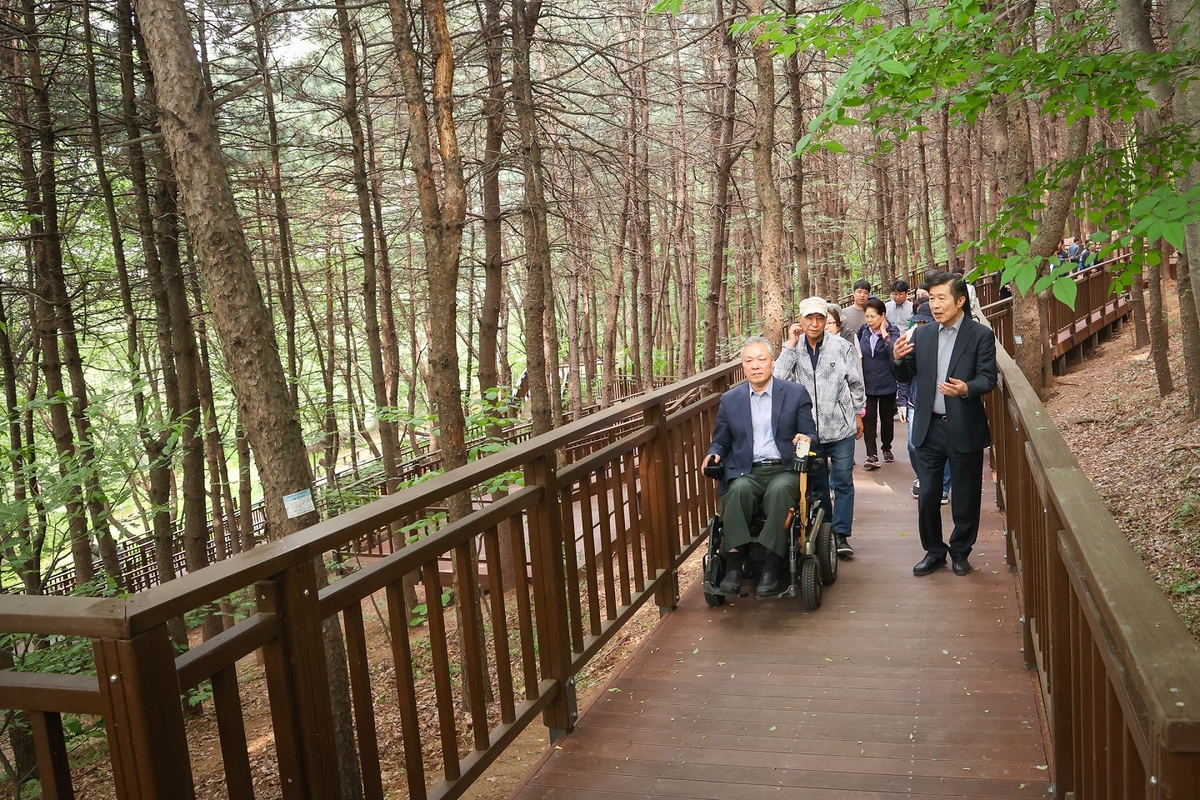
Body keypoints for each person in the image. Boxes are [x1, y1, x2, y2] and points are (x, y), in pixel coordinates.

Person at [892, 271, 997, 577]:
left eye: (942, 298)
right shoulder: (922, 334)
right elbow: (905, 375)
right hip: (928, 426)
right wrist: (897, 359)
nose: (934, 305)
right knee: (928, 494)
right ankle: (934, 551)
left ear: (960, 301)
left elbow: (988, 378)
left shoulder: (980, 335)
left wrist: (967, 388)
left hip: (963, 425)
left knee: (965, 495)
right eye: (931, 298)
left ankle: (961, 551)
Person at [702, 337, 819, 596]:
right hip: (748, 470)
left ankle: (771, 566)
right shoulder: (731, 399)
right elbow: (721, 440)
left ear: (772, 362)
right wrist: (714, 454)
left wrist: (806, 438)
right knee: (737, 491)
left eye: (761, 359)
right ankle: (733, 566)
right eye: (749, 361)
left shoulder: (794, 393)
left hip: (784, 468)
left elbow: (811, 433)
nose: (755, 366)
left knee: (779, 492)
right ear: (742, 366)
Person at [774, 296, 866, 558]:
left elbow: (856, 383)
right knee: (817, 483)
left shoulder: (841, 346)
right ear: (800, 320)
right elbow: (778, 380)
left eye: (820, 318)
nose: (815, 324)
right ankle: (826, 533)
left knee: (843, 481)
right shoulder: (794, 348)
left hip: (841, 427)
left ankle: (841, 534)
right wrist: (790, 346)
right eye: (809, 318)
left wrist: (858, 413)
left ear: (827, 320)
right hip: (806, 431)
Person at [903, 303, 950, 503]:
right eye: (919, 321)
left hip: (943, 403)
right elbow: (904, 374)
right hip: (916, 402)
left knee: (946, 448)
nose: (921, 324)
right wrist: (901, 401)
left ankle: (944, 486)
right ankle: (922, 477)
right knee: (913, 445)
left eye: (925, 321)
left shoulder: (944, 338)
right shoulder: (912, 338)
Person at [858, 298, 901, 471]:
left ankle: (886, 447)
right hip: (867, 383)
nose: (869, 320)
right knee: (869, 419)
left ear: (882, 315)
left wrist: (884, 334)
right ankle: (871, 454)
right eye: (867, 316)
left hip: (887, 382)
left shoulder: (893, 331)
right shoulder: (863, 331)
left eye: (873, 316)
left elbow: (896, 351)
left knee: (886, 419)